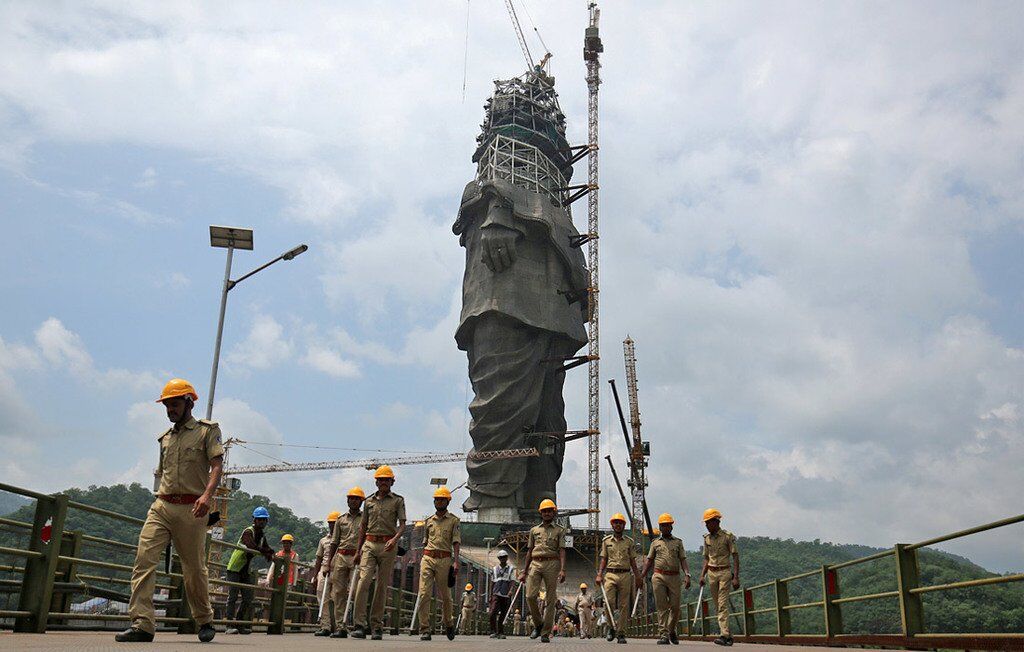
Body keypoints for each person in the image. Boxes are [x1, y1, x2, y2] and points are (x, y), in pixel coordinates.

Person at [116, 379, 223, 643]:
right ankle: (142, 624)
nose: (170, 410)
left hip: (192, 508)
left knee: (194, 568)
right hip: (162, 505)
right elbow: (163, 473)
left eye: (174, 404)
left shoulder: (206, 431)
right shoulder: (165, 439)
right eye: (166, 405)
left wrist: (207, 496)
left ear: (189, 402)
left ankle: (204, 619)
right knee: (144, 560)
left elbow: (217, 464)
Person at [352, 465, 406, 640]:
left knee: (381, 586)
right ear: (376, 482)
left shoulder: (398, 501)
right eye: (380, 479)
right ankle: (359, 624)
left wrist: (395, 539)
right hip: (369, 543)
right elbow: (362, 527)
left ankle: (376, 626)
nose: (383, 482)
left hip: (388, 546)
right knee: (363, 582)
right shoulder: (368, 502)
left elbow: (403, 524)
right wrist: (358, 550)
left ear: (392, 482)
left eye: (386, 480)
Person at [416, 486, 460, 641]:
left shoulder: (454, 520)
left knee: (446, 597)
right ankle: (425, 629)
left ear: (447, 501)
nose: (439, 501)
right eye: (437, 499)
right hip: (428, 558)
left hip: (445, 559)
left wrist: (455, 562)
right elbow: (425, 542)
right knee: (424, 593)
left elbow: (455, 542)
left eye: (442, 499)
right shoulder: (428, 521)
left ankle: (449, 622)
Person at [518, 499, 566, 643]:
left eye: (549, 511)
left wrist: (563, 569)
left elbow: (562, 550)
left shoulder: (559, 530)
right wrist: (524, 571)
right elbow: (529, 551)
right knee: (530, 596)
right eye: (544, 511)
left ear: (554, 512)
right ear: (541, 513)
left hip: (552, 563)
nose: (547, 513)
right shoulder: (534, 530)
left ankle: (545, 632)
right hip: (535, 563)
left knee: (551, 600)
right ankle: (539, 624)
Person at [641, 513, 691, 645]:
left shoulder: (678, 542)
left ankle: (671, 630)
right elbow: (649, 560)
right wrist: (641, 576)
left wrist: (687, 574)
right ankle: (664, 634)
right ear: (660, 527)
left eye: (668, 525)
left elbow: (683, 560)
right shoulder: (655, 543)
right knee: (662, 606)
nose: (665, 527)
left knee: (675, 607)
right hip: (659, 576)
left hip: (674, 576)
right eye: (663, 525)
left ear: (671, 527)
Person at [224, 507, 275, 635]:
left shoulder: (261, 536)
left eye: (264, 520)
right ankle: (229, 625)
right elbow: (250, 545)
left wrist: (270, 554)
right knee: (233, 597)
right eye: (260, 519)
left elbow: (266, 548)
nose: (262, 522)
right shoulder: (248, 531)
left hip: (245, 570)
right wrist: (265, 552)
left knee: (248, 598)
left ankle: (240, 624)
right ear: (254, 520)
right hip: (235, 568)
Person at [597, 512, 642, 644]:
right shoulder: (606, 541)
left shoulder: (629, 542)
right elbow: (603, 559)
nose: (618, 525)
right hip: (610, 574)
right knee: (608, 602)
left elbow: (633, 561)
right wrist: (600, 574)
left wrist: (638, 577)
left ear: (624, 525)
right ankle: (611, 628)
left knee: (624, 605)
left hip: (625, 574)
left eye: (620, 523)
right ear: (612, 525)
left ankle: (621, 633)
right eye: (615, 522)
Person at [326, 487, 365, 638]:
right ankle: (340, 627)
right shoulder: (340, 520)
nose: (354, 500)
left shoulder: (365, 519)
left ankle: (358, 625)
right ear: (347, 500)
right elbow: (334, 542)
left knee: (357, 591)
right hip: (341, 557)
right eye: (351, 498)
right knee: (338, 593)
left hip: (358, 556)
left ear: (361, 501)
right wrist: (329, 562)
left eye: (357, 498)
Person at [699, 509, 739, 647]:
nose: (706, 525)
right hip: (711, 573)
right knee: (717, 606)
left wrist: (736, 577)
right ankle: (728, 635)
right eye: (705, 523)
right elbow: (706, 558)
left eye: (708, 523)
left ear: (716, 522)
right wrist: (702, 575)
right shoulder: (707, 538)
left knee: (722, 604)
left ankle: (724, 635)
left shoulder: (727, 536)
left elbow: (735, 556)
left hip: (724, 572)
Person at [312, 511, 341, 636]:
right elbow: (318, 558)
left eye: (334, 523)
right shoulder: (323, 540)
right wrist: (315, 575)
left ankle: (338, 626)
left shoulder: (343, 539)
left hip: (338, 569)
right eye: (330, 523)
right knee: (322, 596)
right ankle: (325, 626)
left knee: (337, 598)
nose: (332, 526)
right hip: (324, 569)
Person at [488, 549, 515, 638]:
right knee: (492, 613)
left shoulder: (511, 569)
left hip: (505, 594)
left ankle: (500, 632)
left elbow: (512, 581)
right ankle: (493, 631)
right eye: (501, 557)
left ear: (507, 558)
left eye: (504, 557)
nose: (503, 559)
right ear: (499, 558)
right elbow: (492, 582)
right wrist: (490, 595)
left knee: (503, 613)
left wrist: (511, 590)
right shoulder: (494, 569)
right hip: (496, 593)